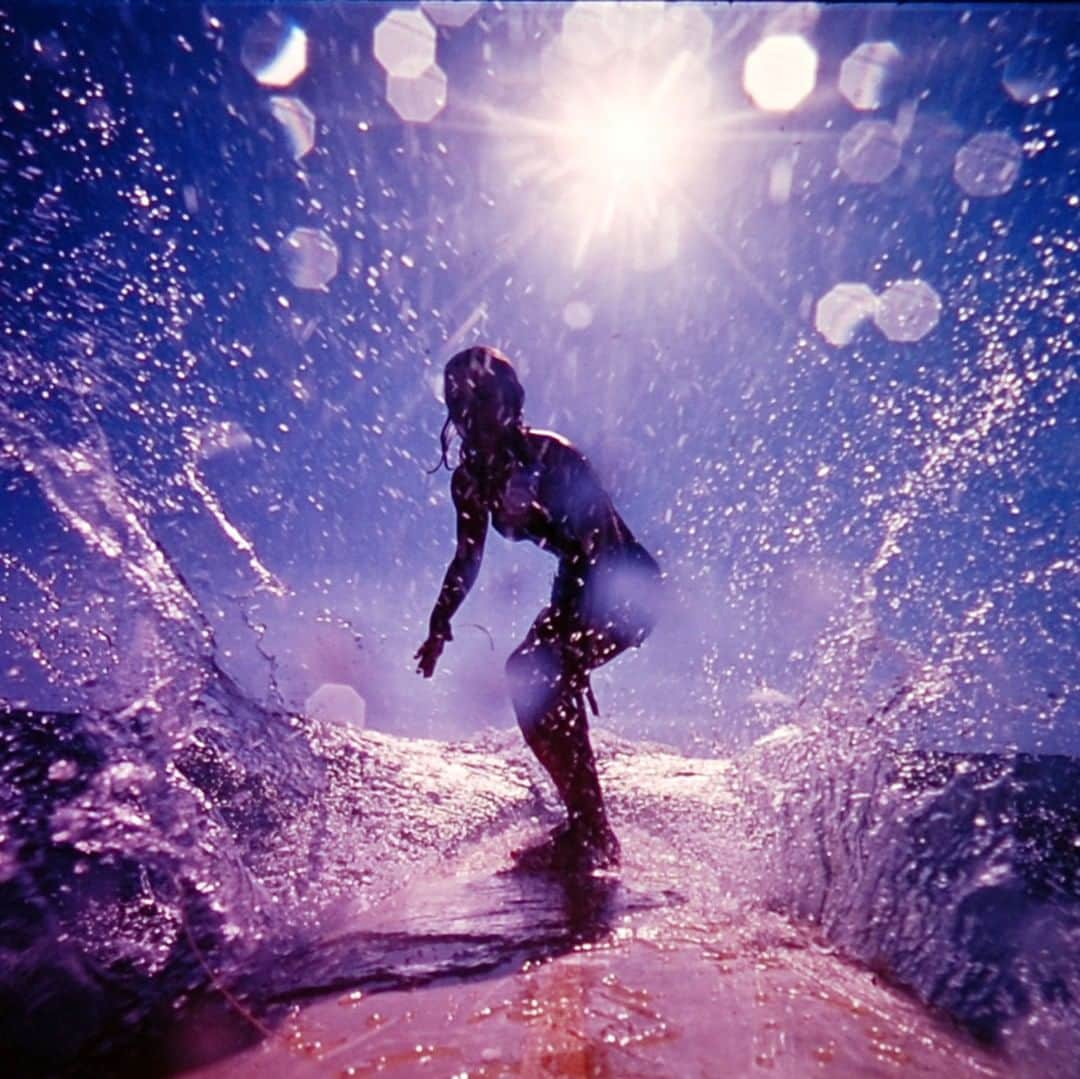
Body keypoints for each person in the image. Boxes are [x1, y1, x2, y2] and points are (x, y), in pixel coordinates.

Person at [415, 345, 661, 871]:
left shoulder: (554, 456)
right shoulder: (470, 483)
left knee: (536, 671)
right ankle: (588, 825)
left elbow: (604, 540)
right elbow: (466, 556)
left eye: (484, 395)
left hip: (628, 583)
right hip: (576, 589)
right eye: (459, 398)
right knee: (529, 677)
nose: (472, 409)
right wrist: (440, 622)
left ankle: (593, 832)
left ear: (511, 399)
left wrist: (547, 513)